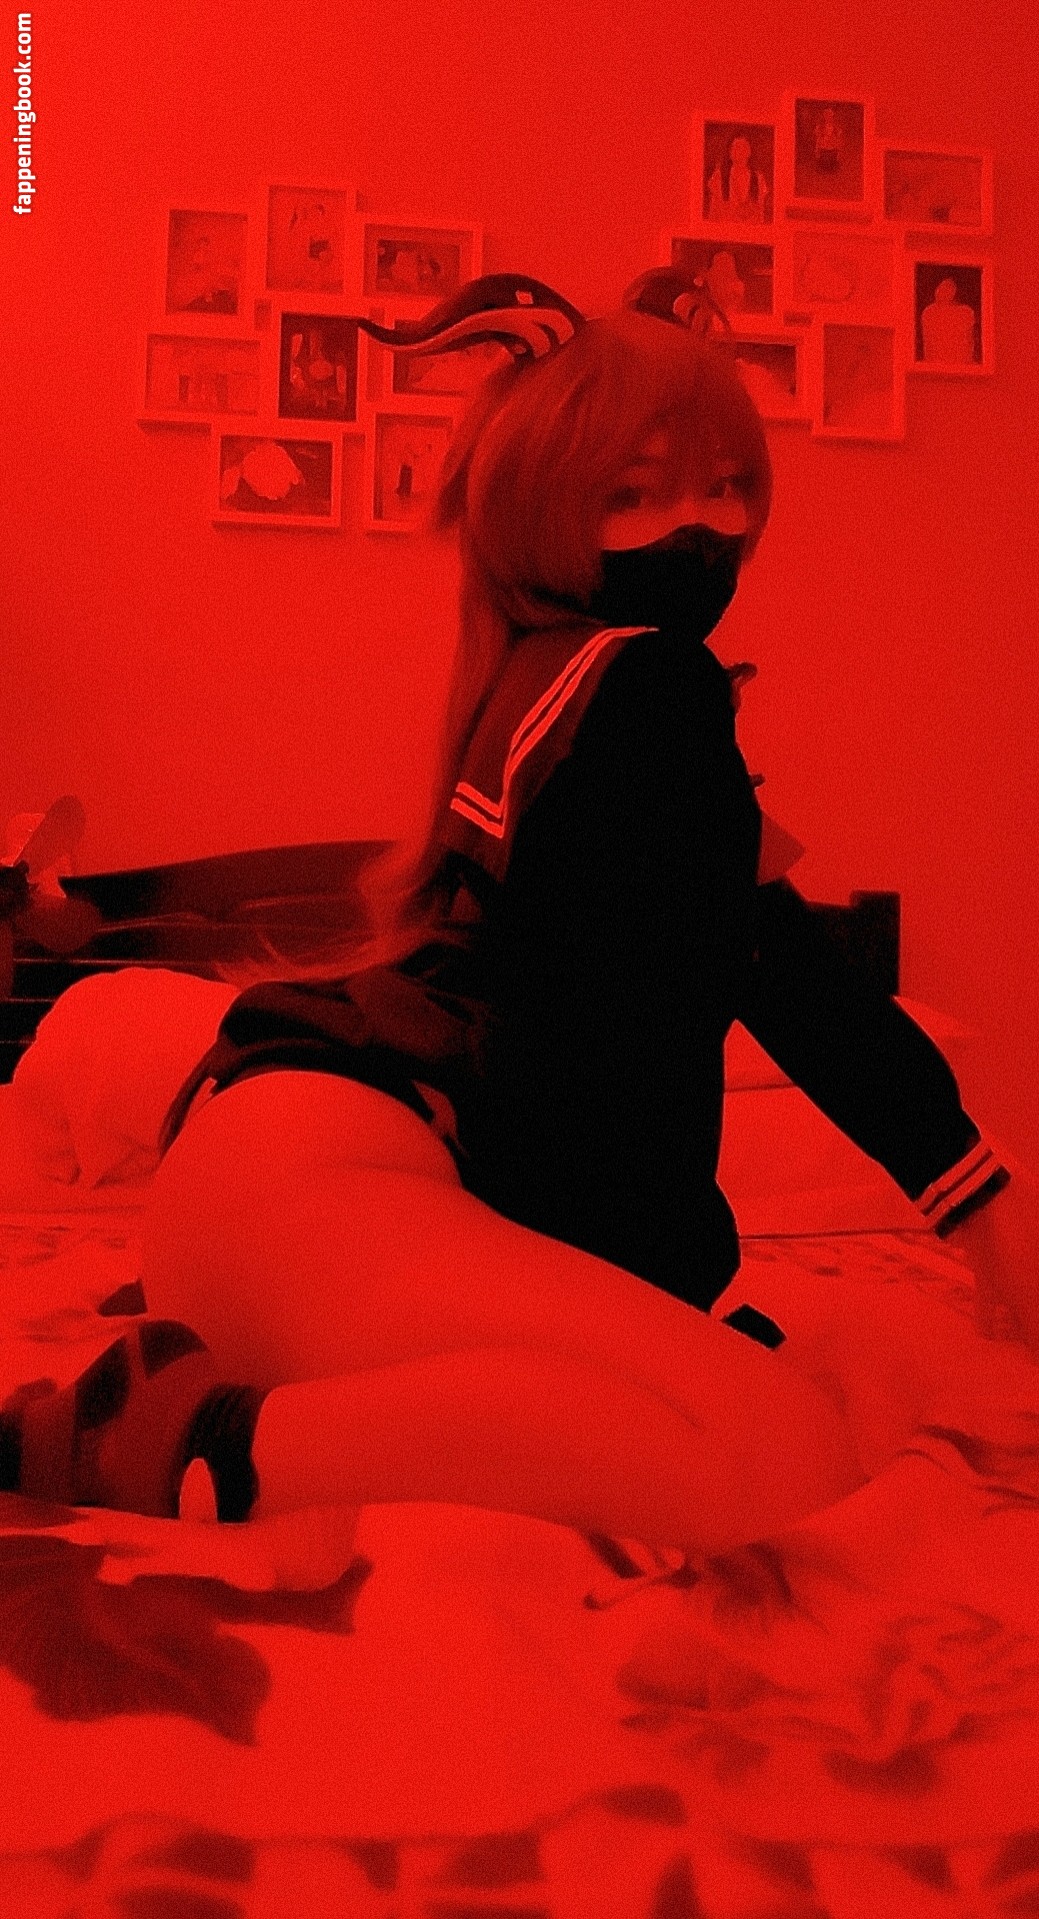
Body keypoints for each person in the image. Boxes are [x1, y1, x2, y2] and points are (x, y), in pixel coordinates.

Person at [1, 273, 1032, 1559]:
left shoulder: (555, 695)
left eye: (727, 486)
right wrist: (976, 1200)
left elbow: (749, 978)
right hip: (322, 1189)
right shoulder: (647, 686)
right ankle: (175, 1442)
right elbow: (695, 1023)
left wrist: (966, 1194)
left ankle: (193, 1412)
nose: (699, 527)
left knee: (705, 1422)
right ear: (543, 516)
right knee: (778, 1454)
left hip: (255, 1213)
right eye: (633, 495)